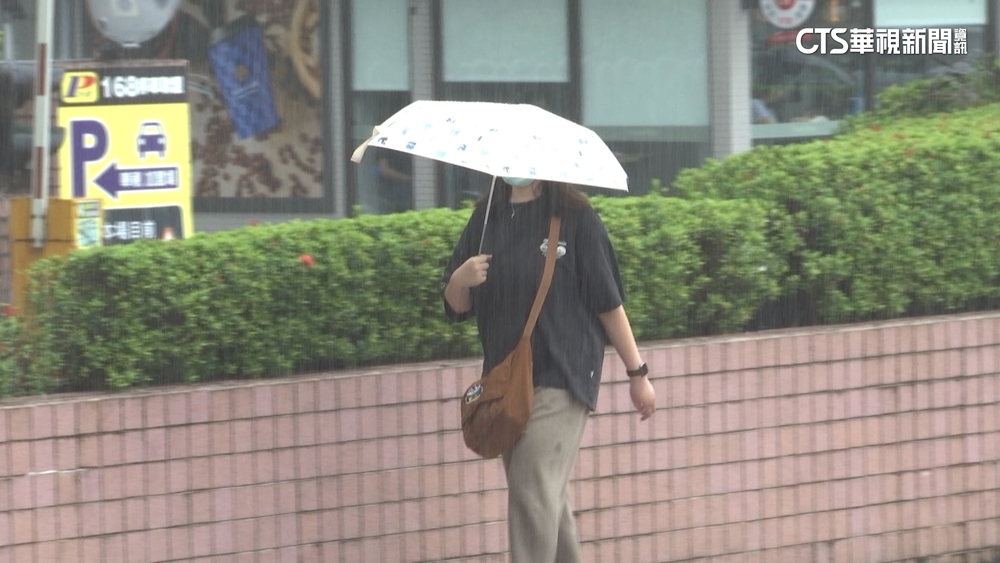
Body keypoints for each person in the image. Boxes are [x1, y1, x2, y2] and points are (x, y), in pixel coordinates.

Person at [441, 177, 656, 562]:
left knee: (530, 491)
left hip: (564, 374)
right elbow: (457, 306)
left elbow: (608, 302)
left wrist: (637, 373)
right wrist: (460, 280)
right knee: (545, 499)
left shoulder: (576, 219)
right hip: (507, 383)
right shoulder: (486, 219)